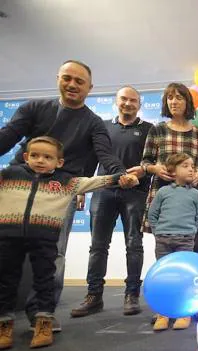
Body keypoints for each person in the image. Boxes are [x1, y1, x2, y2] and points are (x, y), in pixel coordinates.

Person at [0, 60, 134, 331]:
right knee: (7, 253)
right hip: (18, 188)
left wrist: (121, 174)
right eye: (67, 78)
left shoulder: (94, 123)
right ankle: (4, 314)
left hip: (60, 192)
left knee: (54, 253)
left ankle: (42, 314)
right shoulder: (34, 107)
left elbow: (105, 156)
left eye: (79, 81)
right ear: (58, 78)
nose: (72, 84)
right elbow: (8, 136)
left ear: (89, 88)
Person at [0, 136, 137, 350]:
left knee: (45, 281)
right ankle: (4, 325)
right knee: (6, 282)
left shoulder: (65, 182)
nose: (40, 160)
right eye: (34, 155)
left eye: (47, 157)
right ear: (25, 157)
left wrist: (121, 177)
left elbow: (94, 181)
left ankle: (43, 322)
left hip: (44, 241)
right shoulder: (9, 175)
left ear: (59, 162)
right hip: (8, 239)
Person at [70, 86, 153, 318]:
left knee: (134, 245)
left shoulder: (149, 129)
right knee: (97, 247)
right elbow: (90, 159)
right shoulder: (102, 127)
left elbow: (152, 163)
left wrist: (142, 174)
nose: (128, 104)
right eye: (124, 99)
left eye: (133, 100)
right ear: (116, 102)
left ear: (139, 104)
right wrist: (80, 189)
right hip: (103, 192)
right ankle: (94, 296)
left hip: (135, 195)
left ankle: (132, 294)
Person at [137, 83, 198, 235]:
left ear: (187, 102)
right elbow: (145, 162)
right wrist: (155, 169)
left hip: (190, 196)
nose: (173, 102)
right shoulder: (157, 129)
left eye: (178, 98)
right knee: (164, 247)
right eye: (170, 98)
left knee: (193, 248)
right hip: (163, 196)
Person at [147, 153, 198, 332]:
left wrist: (191, 231)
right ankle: (163, 314)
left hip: (185, 240)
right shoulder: (163, 192)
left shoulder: (196, 194)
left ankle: (183, 313)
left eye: (192, 166)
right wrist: (157, 231)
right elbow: (152, 214)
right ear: (172, 170)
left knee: (183, 277)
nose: (191, 169)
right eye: (185, 166)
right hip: (163, 240)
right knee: (164, 277)